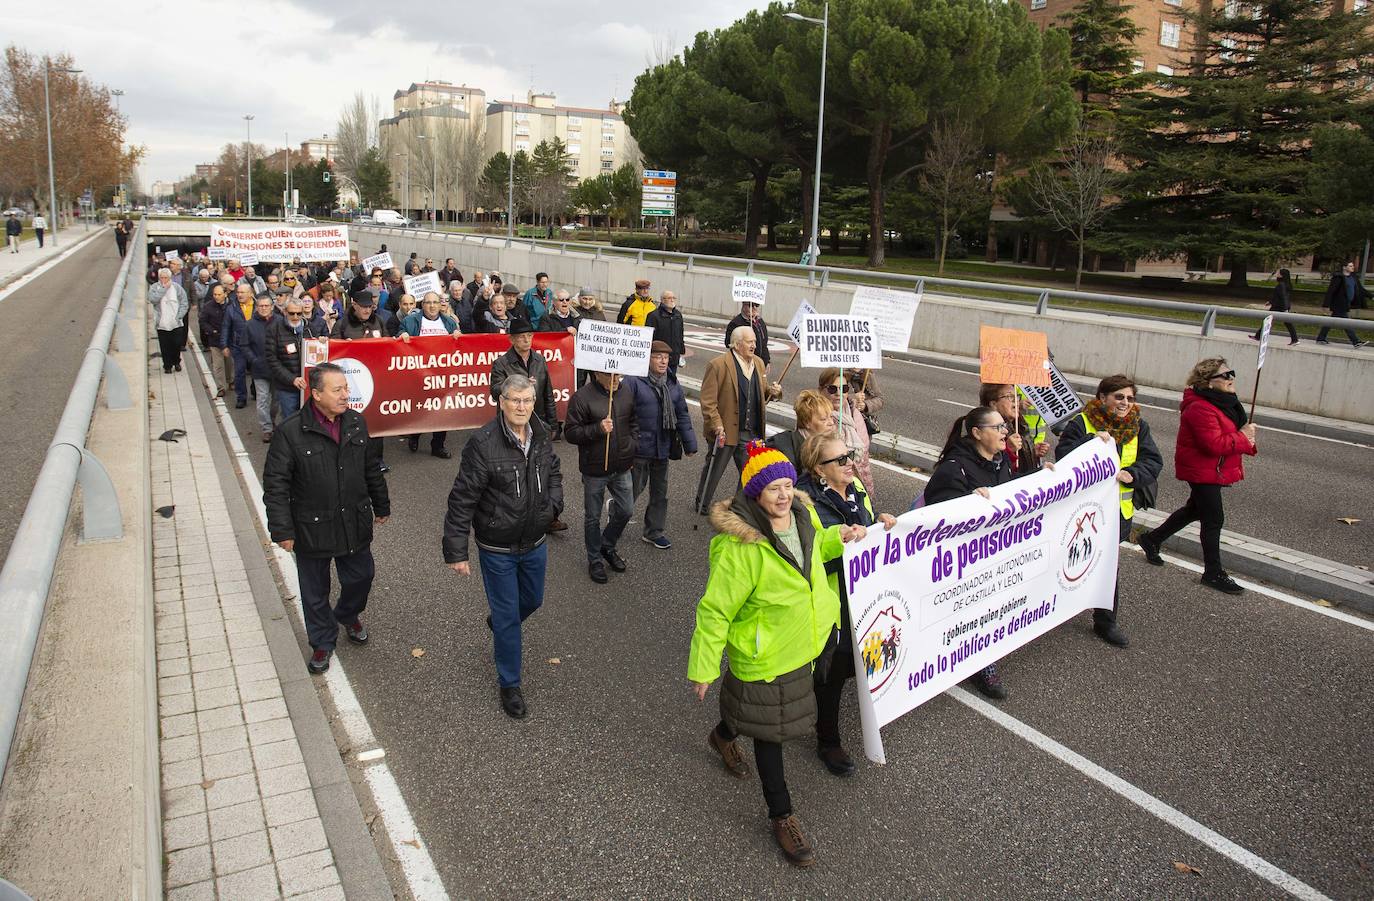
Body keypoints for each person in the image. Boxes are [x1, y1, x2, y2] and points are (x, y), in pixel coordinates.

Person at [688, 441, 867, 867]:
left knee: (760, 713)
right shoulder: (741, 549)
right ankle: (782, 816)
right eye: (773, 489)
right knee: (772, 732)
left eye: (788, 485)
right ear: (755, 494)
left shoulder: (803, 517)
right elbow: (715, 610)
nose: (784, 495)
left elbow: (815, 549)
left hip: (803, 642)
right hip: (765, 653)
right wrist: (704, 666)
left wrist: (838, 537)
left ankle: (724, 735)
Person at [444, 374, 563, 719]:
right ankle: (509, 683)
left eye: (528, 401)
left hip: (535, 540)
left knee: (533, 600)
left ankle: (499, 622)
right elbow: (462, 498)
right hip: (497, 546)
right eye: (515, 401)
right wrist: (456, 550)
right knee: (510, 617)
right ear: (501, 402)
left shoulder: (540, 436)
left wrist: (553, 506)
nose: (522, 407)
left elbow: (553, 472)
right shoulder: (482, 443)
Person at [264, 363, 391, 675]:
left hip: (353, 521)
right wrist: (282, 529)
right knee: (314, 591)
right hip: (312, 526)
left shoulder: (356, 423)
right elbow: (276, 484)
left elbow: (370, 467)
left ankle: (348, 614)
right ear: (316, 393)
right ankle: (323, 641)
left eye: (346, 388)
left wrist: (382, 505)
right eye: (338, 390)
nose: (346, 395)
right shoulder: (291, 431)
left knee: (361, 577)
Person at [795, 433, 897, 776]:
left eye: (849, 455)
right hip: (831, 600)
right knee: (833, 672)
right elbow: (809, 556)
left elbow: (866, 527)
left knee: (857, 662)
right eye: (840, 459)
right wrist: (842, 541)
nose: (849, 462)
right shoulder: (806, 503)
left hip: (861, 596)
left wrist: (881, 524)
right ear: (818, 470)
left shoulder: (856, 490)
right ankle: (828, 741)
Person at [924, 406, 1036, 700]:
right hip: (964, 558)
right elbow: (938, 516)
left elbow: (1012, 494)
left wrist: (1041, 476)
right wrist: (967, 503)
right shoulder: (954, 467)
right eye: (997, 427)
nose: (1005, 433)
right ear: (976, 433)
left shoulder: (1000, 462)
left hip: (994, 551)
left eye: (1004, 427)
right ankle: (980, 662)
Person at [1054, 375, 1163, 647]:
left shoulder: (1139, 426)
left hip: (1118, 514)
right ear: (1102, 398)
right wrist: (1091, 441)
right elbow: (1064, 455)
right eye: (1119, 397)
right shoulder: (1082, 423)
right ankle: (1057, 606)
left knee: (1107, 566)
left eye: (1130, 398)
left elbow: (1152, 461)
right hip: (1082, 512)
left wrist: (1133, 474)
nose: (1125, 403)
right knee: (1070, 561)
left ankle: (1106, 621)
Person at [1138, 358, 1258, 594]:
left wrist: (1247, 438)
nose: (1231, 378)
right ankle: (1213, 573)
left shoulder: (1227, 403)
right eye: (1224, 375)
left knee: (1195, 510)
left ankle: (1151, 539)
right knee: (1213, 519)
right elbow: (1212, 445)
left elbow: (1235, 434)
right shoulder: (1199, 407)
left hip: (1213, 469)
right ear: (1208, 382)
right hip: (1201, 470)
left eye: (1231, 373)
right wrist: (1243, 437)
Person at [695, 326, 782, 513]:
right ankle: (702, 503)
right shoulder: (718, 365)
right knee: (715, 468)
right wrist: (717, 424)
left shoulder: (758, 363)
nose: (754, 345)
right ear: (737, 344)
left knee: (751, 471)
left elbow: (762, 392)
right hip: (725, 429)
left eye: (755, 342)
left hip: (750, 431)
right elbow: (708, 401)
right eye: (750, 342)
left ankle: (740, 506)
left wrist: (774, 392)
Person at [565, 369, 638, 583]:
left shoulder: (625, 393)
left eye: (619, 376)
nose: (616, 381)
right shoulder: (582, 397)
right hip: (594, 468)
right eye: (611, 376)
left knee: (626, 510)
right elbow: (571, 433)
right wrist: (597, 429)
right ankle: (595, 559)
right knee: (592, 517)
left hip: (622, 465)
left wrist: (632, 446)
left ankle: (607, 545)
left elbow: (634, 423)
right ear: (597, 373)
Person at [626, 341, 699, 549]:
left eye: (666, 358)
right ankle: (618, 513)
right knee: (633, 489)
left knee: (660, 492)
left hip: (663, 446)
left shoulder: (672, 383)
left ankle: (653, 531)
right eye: (658, 357)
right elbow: (623, 413)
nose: (663, 361)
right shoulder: (634, 382)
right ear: (647, 358)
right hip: (640, 447)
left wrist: (690, 444)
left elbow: (682, 414)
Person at [330, 290, 391, 473]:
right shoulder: (342, 324)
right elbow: (332, 348)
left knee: (375, 421)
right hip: (351, 382)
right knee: (349, 422)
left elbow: (388, 344)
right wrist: (344, 345)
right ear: (354, 304)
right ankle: (348, 459)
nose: (367, 310)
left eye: (370, 307)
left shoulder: (378, 321)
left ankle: (377, 460)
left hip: (375, 378)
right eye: (363, 307)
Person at [397, 292, 460, 459]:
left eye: (435, 302)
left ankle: (438, 445)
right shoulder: (411, 321)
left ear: (440, 305)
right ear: (422, 305)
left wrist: (458, 337)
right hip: (419, 374)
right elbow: (399, 338)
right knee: (421, 409)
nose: (432, 306)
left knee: (442, 410)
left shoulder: (449, 322)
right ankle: (415, 435)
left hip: (442, 375)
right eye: (428, 303)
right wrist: (402, 336)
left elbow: (459, 345)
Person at [267, 298, 326, 423]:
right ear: (284, 312)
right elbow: (272, 359)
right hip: (287, 387)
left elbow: (321, 354)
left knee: (311, 419)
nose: (295, 317)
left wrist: (322, 343)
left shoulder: (310, 329)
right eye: (291, 313)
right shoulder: (274, 329)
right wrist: (292, 379)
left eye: (299, 313)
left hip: (309, 385)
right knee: (290, 421)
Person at [819, 368, 874, 497]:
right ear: (821, 390)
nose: (839, 393)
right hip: (830, 487)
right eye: (832, 389)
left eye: (844, 388)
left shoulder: (854, 412)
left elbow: (864, 453)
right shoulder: (817, 417)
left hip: (858, 482)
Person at [978, 383, 1049, 474]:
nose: (1016, 403)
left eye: (1016, 397)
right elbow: (985, 470)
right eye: (1009, 397)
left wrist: (1032, 452)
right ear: (993, 404)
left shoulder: (1019, 423)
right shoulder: (986, 431)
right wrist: (1008, 450)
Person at [767, 390, 837, 465]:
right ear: (806, 422)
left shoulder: (823, 444)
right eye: (824, 419)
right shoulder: (783, 449)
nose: (831, 423)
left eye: (831, 417)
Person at [245, 295, 277, 441]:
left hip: (278, 369)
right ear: (257, 308)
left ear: (272, 307)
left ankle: (274, 423)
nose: (263, 308)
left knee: (276, 401)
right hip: (259, 369)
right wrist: (253, 360)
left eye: (266, 306)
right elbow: (244, 345)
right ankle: (267, 429)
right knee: (262, 400)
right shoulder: (250, 324)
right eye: (261, 306)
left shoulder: (280, 321)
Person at [221, 282, 257, 409]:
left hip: (255, 346)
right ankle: (241, 397)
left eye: (242, 292)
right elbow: (226, 327)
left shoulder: (259, 306)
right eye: (238, 292)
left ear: (250, 294)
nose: (239, 295)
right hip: (238, 346)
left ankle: (255, 390)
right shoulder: (231, 308)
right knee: (239, 372)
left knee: (256, 370)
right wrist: (224, 345)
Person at [1317, 261, 1369, 347]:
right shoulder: (1339, 278)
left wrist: (1371, 296)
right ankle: (1356, 342)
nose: (1353, 267)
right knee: (1346, 323)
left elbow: (1361, 289)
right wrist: (1326, 304)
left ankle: (1321, 338)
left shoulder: (1353, 277)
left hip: (1346, 303)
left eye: (1353, 266)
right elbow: (1331, 291)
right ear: (1344, 267)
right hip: (1339, 304)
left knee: (1331, 321)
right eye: (1350, 266)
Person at [149, 267, 190, 373]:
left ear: (169, 277)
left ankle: (176, 362)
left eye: (166, 278)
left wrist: (179, 316)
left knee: (176, 344)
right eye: (161, 277)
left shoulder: (177, 288)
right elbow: (153, 299)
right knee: (164, 345)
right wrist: (163, 289)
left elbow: (184, 302)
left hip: (175, 322)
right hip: (162, 323)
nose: (163, 280)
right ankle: (167, 365)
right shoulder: (154, 287)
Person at [199, 283, 233, 398]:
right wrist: (211, 331)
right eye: (214, 294)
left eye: (219, 294)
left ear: (225, 294)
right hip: (215, 340)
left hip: (229, 339)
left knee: (229, 363)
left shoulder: (232, 305)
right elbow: (202, 321)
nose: (216, 296)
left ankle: (230, 380)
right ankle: (221, 387)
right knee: (218, 365)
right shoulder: (208, 306)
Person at [1252, 268, 1299, 345]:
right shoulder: (1284, 284)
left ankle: (1295, 340)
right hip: (1279, 306)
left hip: (1279, 307)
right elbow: (1278, 296)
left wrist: (1285, 308)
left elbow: (1283, 297)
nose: (1277, 274)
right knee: (1272, 321)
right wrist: (1270, 302)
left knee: (1270, 321)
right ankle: (1258, 336)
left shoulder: (1281, 285)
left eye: (1278, 273)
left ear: (1282, 275)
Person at [645, 289, 686, 377]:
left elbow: (680, 334)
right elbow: (649, 338)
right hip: (659, 357)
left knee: (671, 381)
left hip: (674, 357)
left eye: (673, 298)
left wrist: (681, 351)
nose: (672, 300)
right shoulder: (654, 316)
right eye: (669, 298)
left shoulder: (678, 315)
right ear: (663, 300)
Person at [725, 301, 771, 369]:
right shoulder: (736, 323)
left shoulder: (760, 322)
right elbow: (728, 343)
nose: (754, 308)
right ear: (744, 306)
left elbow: (764, 344)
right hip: (744, 364)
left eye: (756, 305)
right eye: (751, 305)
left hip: (760, 364)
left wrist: (767, 361)